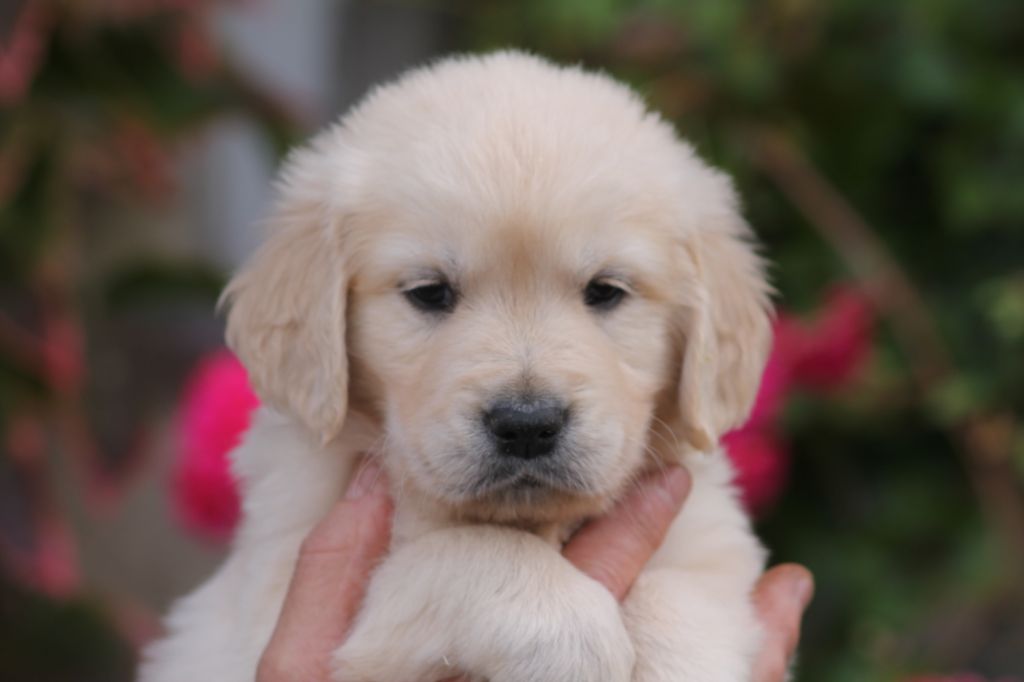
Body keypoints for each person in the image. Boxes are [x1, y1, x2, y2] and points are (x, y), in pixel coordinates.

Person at [257, 462, 814, 682]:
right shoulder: (327, 476)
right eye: (432, 294)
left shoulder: (682, 481)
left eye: (603, 292)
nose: (529, 399)